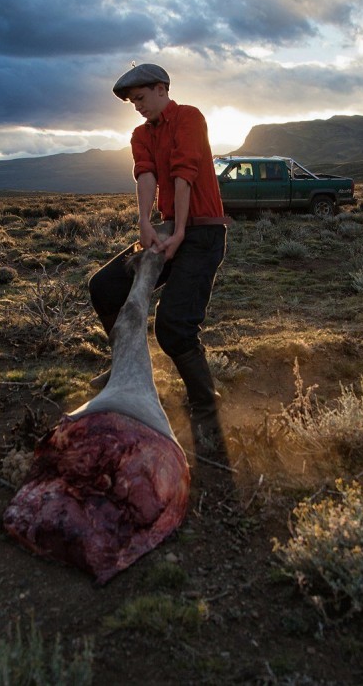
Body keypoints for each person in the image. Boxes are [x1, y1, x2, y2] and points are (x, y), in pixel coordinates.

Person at [88, 63, 231, 478]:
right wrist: (146, 224)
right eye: (132, 103)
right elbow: (147, 176)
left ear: (161, 88)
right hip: (167, 229)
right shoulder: (140, 134)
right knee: (104, 287)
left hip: (202, 234)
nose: (137, 107)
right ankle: (125, 366)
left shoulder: (189, 117)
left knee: (174, 327)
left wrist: (181, 231)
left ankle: (205, 406)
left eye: (141, 98)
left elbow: (184, 175)